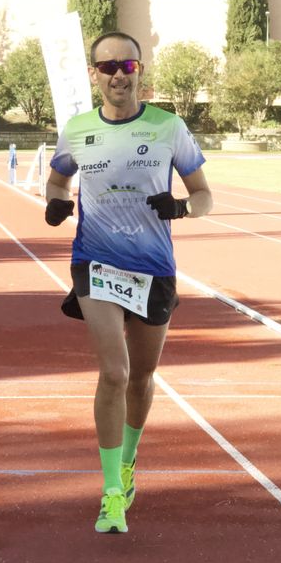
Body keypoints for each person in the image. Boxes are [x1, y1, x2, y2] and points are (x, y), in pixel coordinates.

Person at [44, 30, 213, 534]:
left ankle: (129, 462)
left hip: (153, 267)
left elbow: (205, 195)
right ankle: (111, 490)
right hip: (95, 263)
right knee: (114, 373)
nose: (119, 74)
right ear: (95, 75)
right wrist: (55, 200)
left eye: (128, 66)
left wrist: (181, 208)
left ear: (141, 70)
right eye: (108, 66)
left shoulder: (168, 127)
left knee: (141, 376)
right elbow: (58, 178)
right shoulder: (77, 130)